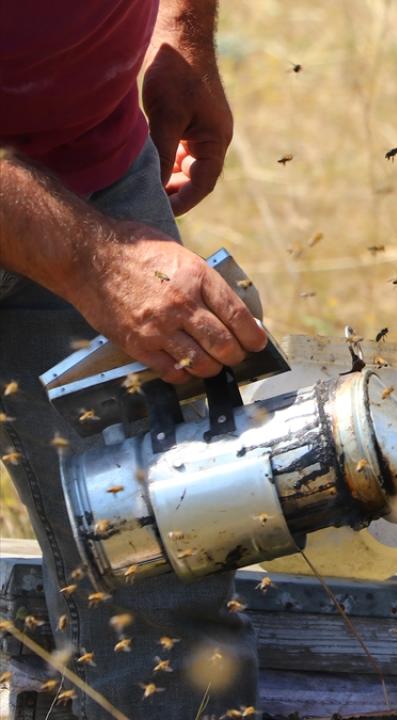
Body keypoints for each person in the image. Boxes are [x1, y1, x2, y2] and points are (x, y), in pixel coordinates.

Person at [0, 1, 265, 716]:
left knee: (165, 562)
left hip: (94, 165)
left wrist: (183, 29)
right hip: (88, 226)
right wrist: (96, 260)